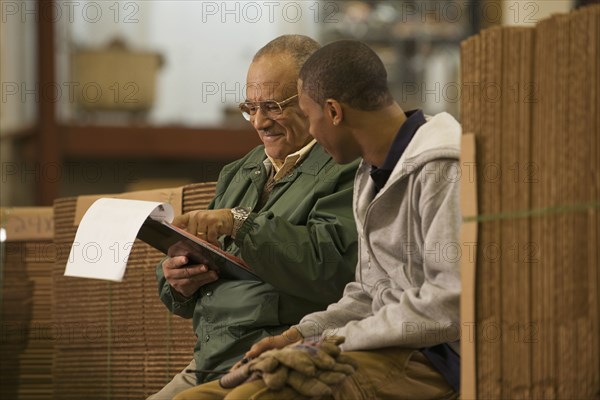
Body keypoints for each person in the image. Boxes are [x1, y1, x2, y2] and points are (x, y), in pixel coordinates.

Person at [175, 39, 462, 400]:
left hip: (431, 356)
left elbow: (447, 305)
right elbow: (366, 292)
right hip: (370, 342)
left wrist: (328, 342)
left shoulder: (441, 168)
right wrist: (298, 336)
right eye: (252, 108)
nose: (310, 133)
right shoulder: (369, 171)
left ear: (334, 112)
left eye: (309, 118)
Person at [147, 35, 359, 399]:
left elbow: (330, 269)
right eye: (250, 107)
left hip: (275, 355)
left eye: (273, 106)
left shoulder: (344, 167)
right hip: (210, 359)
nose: (259, 122)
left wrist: (240, 222)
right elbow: (198, 276)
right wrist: (177, 281)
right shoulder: (241, 170)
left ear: (314, 100)